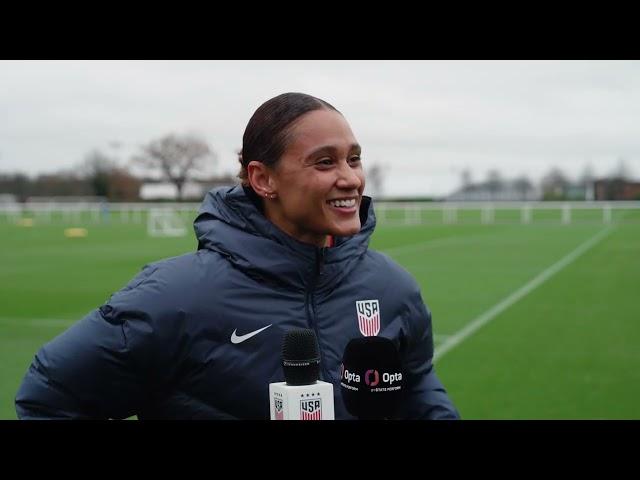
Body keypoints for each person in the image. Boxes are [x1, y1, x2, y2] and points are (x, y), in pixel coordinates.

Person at [15, 92, 459, 420]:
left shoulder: (393, 288)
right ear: (263, 179)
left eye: (354, 159)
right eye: (325, 163)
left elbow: (417, 387)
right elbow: (48, 397)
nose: (350, 178)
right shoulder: (176, 296)